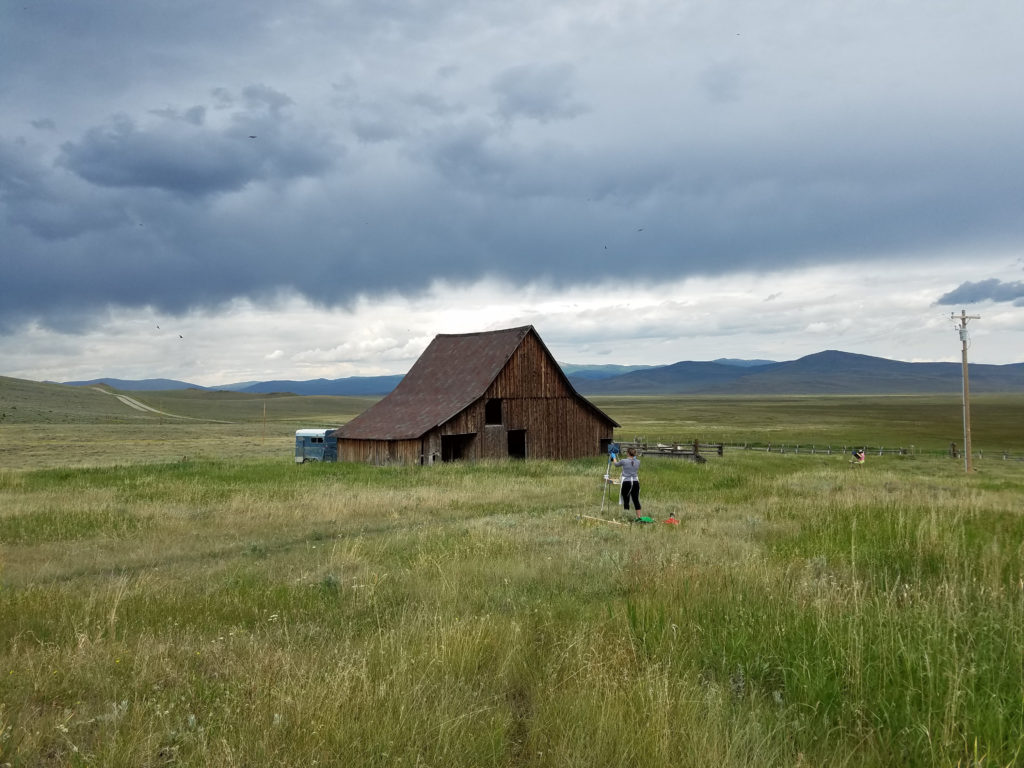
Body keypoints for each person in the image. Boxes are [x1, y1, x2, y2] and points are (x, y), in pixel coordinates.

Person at [612, 447, 642, 517]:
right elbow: (632, 463)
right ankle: (639, 517)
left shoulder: (623, 461)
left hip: (626, 482)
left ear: (628, 453)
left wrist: (614, 457)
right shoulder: (638, 461)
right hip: (635, 482)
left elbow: (616, 464)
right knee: (636, 500)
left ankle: (626, 516)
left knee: (626, 499)